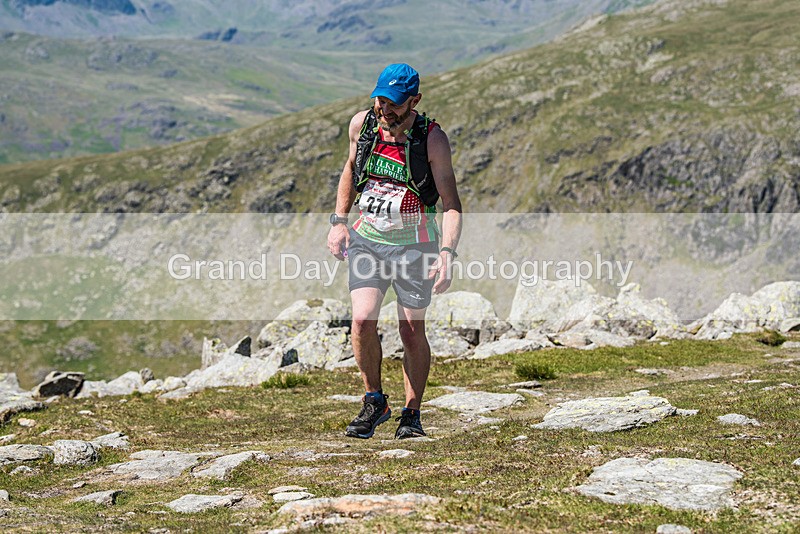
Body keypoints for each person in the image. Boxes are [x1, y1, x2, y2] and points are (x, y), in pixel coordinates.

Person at [327, 63, 462, 439]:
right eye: (381, 101)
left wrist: (447, 252)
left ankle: (411, 414)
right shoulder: (363, 125)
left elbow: (451, 203)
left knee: (411, 330)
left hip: (416, 247)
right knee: (362, 320)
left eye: (396, 105)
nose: (386, 111)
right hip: (368, 239)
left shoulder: (431, 139)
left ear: (414, 101)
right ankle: (375, 402)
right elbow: (351, 170)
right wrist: (339, 222)